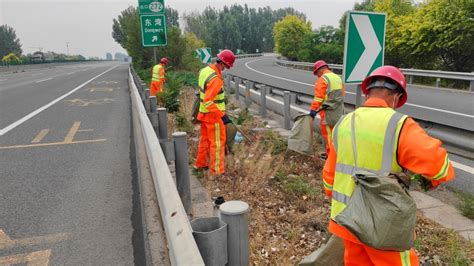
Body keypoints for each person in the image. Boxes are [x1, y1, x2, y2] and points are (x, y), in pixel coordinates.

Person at [322, 65, 455, 265]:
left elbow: (329, 178)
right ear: (396, 97)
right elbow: (439, 167)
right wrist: (430, 180)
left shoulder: (343, 123)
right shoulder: (399, 125)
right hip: (383, 225)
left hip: (346, 221)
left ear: (368, 93)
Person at [195, 49, 235, 176]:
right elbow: (208, 100)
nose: (225, 69)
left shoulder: (205, 70)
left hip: (204, 114)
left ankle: (201, 165)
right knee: (217, 144)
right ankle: (217, 171)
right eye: (226, 67)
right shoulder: (216, 79)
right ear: (222, 63)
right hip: (214, 117)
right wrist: (222, 115)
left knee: (205, 141)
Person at [309, 60, 345, 160]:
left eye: (317, 74)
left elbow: (318, 98)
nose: (317, 76)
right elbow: (341, 94)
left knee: (329, 137)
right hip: (338, 112)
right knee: (336, 135)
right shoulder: (337, 77)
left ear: (319, 71)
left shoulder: (322, 79)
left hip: (328, 113)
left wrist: (313, 110)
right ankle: (337, 156)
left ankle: (330, 158)